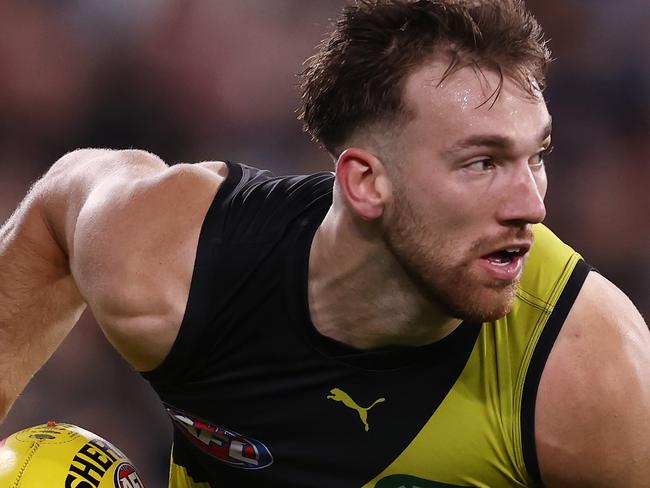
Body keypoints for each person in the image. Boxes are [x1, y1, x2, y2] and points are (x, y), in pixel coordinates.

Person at [1, 0, 648, 486]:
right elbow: (59, 205)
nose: (531, 205)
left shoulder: (587, 374)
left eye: (535, 156)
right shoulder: (169, 265)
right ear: (366, 182)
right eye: (480, 164)